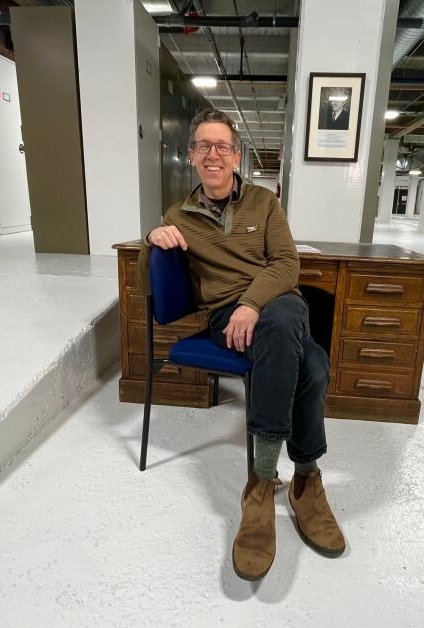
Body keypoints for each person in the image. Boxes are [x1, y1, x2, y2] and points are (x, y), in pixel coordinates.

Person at [139, 109, 345, 581]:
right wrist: (152, 238)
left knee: (291, 317)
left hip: (271, 308)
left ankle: (264, 480)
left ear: (236, 156)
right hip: (223, 320)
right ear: (191, 156)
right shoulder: (178, 215)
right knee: (312, 363)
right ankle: (303, 478)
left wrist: (253, 303)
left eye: (222, 147)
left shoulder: (264, 204)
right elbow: (144, 281)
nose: (213, 155)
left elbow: (287, 264)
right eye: (203, 146)